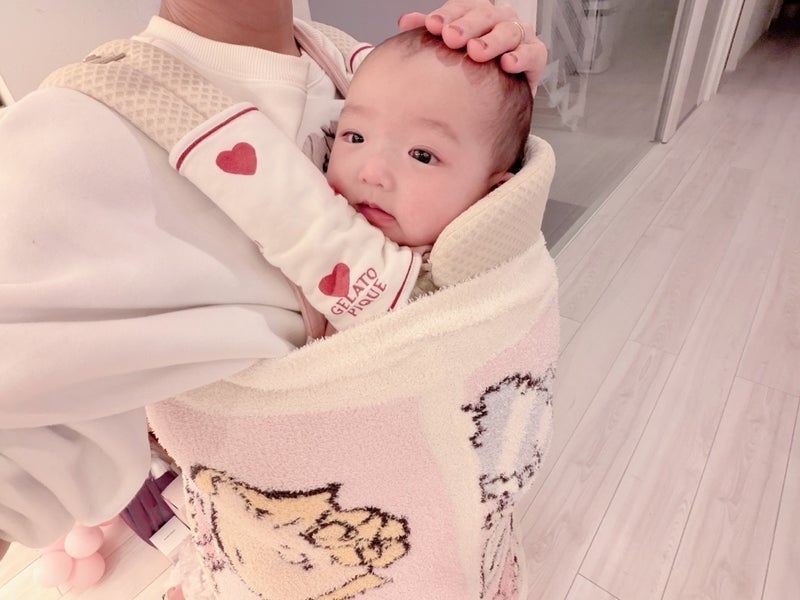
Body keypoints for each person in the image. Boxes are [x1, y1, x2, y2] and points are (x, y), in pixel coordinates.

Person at [0, 0, 546, 566]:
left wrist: (496, 112)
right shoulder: (66, 147)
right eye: (354, 137)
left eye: (422, 154)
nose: (369, 171)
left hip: (469, 526)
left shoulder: (338, 56)